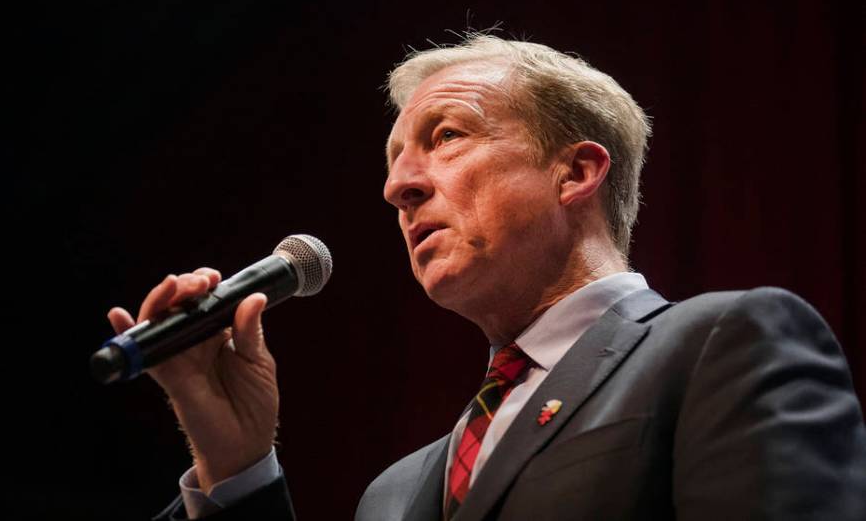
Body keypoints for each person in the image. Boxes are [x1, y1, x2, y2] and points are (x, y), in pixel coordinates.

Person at [107, 34, 866, 520]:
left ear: (575, 170)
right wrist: (237, 463)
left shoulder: (719, 344)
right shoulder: (396, 493)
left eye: (446, 137)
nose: (398, 187)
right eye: (394, 162)